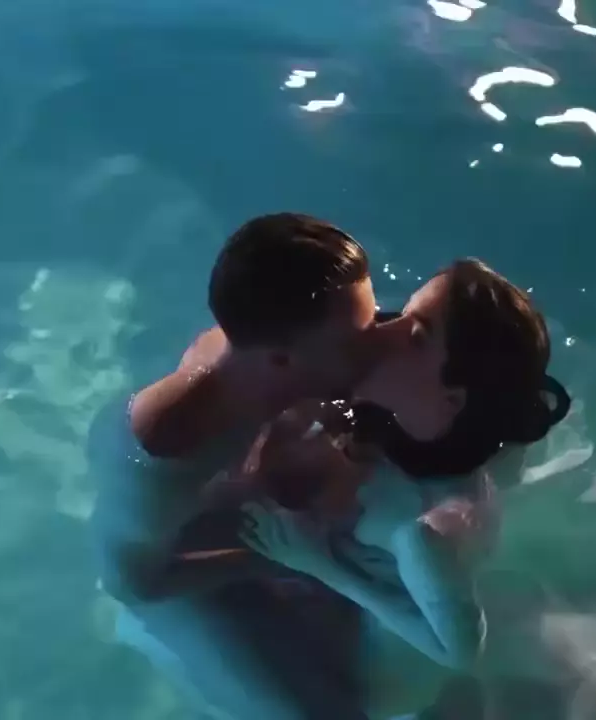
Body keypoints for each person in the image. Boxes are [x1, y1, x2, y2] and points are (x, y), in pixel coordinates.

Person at [88, 212, 410, 719]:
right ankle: (161, 646)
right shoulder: (159, 463)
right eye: (356, 340)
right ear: (282, 359)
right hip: (178, 574)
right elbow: (132, 583)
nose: (375, 345)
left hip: (238, 503)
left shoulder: (255, 349)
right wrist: (278, 558)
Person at [239, 259, 571, 718]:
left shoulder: (425, 531)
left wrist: (319, 564)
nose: (381, 326)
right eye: (403, 313)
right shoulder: (412, 423)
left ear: (450, 399)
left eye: (415, 335)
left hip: (379, 675)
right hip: (358, 605)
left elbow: (459, 652)